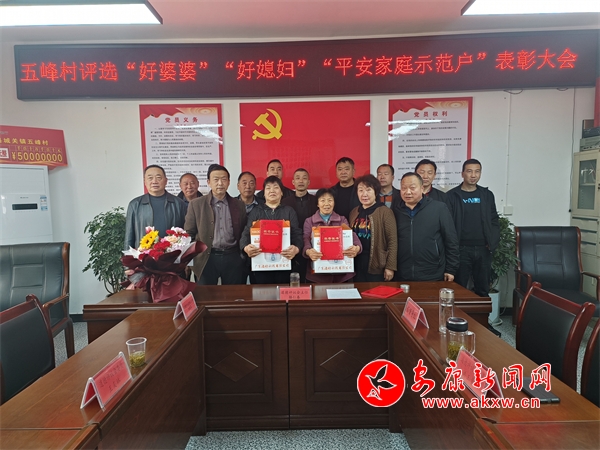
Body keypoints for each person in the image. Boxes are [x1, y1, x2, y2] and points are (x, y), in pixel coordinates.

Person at [184, 164, 247, 284]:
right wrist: (190, 259)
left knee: (233, 293)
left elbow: (244, 231)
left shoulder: (239, 205)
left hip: (232, 257)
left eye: (224, 179)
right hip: (206, 258)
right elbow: (188, 234)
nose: (220, 183)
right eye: (216, 179)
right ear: (209, 182)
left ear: (229, 182)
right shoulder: (196, 204)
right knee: (205, 294)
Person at [447, 159, 500, 298]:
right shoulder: (451, 196)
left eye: (477, 171)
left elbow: (494, 220)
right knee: (459, 289)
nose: (473, 175)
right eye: (469, 171)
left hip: (483, 249)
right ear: (462, 173)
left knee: (483, 289)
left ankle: (482, 314)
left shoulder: (487, 195)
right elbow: (447, 224)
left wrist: (492, 242)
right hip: (461, 249)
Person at [392, 172, 460, 282]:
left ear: (422, 188)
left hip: (432, 272)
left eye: (412, 188)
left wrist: (451, 269)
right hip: (403, 273)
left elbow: (451, 240)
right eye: (403, 188)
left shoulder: (439, 208)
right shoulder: (396, 211)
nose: (407, 192)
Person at [240, 176, 303, 285]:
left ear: (281, 192)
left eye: (276, 187)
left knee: (282, 294)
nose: (272, 191)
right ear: (264, 193)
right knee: (261, 294)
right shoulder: (256, 211)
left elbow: (297, 234)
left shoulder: (289, 211)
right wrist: (246, 248)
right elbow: (246, 233)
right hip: (260, 266)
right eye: (268, 188)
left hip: (283, 264)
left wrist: (296, 249)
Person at [303, 188, 361, 283]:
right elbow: (306, 238)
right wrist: (308, 251)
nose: (326, 204)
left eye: (330, 200)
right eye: (322, 200)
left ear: (334, 203)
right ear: (317, 204)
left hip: (342, 274)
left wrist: (357, 248)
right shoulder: (309, 221)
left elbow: (351, 235)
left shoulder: (342, 220)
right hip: (318, 275)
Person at [124, 164, 186, 250]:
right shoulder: (135, 204)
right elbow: (129, 237)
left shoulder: (178, 203)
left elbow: (185, 233)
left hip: (172, 254)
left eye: (158, 177)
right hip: (143, 254)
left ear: (166, 181)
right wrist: (128, 256)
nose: (154, 181)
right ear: (144, 181)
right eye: (150, 178)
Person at [348, 174, 397, 282]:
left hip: (377, 264)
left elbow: (392, 241)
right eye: (360, 190)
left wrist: (390, 267)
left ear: (376, 192)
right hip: (355, 263)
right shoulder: (354, 212)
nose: (364, 194)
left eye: (368, 190)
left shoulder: (385, 212)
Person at [282, 168, 318, 282]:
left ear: (309, 182)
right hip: (291, 246)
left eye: (304, 178)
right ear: (293, 182)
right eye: (298, 178)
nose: (301, 181)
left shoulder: (316, 201)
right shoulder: (285, 202)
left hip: (312, 246)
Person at [331, 156, 360, 221]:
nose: (343, 172)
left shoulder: (361, 190)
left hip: (357, 225)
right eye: (340, 169)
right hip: (336, 225)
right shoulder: (331, 192)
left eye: (347, 169)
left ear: (353, 171)